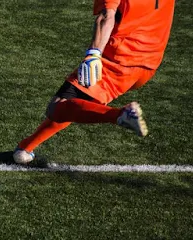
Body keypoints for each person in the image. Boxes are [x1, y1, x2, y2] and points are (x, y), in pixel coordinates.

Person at [13, 0, 176, 164]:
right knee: (77, 103)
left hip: (118, 60)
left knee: (56, 107)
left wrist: (94, 53)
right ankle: (24, 149)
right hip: (149, 64)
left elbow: (107, 16)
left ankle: (120, 115)